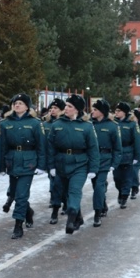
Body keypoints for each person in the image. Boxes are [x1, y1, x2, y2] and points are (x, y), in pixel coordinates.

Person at [47, 94, 99, 234]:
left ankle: (71, 220)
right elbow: (50, 147)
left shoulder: (87, 127)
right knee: (65, 193)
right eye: (66, 105)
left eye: (70, 106)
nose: (66, 108)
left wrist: (93, 168)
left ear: (77, 110)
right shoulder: (57, 125)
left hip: (79, 165)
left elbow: (93, 148)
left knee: (74, 191)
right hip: (61, 164)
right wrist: (51, 166)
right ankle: (78, 217)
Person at [0, 93, 46, 239]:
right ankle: (28, 212)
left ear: (27, 106)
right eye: (15, 102)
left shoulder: (35, 123)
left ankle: (18, 225)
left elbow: (41, 145)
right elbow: (2, 146)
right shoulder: (5, 123)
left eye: (20, 103)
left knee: (21, 195)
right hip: (12, 161)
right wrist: (0, 165)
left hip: (28, 162)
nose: (17, 105)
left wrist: (41, 165)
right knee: (13, 193)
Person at [89, 99, 121, 226]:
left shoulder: (112, 126)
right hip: (92, 159)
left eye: (95, 109)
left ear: (102, 112)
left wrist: (114, 163)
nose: (92, 111)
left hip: (105, 159)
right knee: (95, 184)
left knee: (99, 186)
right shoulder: (89, 125)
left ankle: (97, 213)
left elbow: (117, 147)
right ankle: (103, 204)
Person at [112, 102, 140, 209]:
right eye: (116, 110)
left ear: (124, 112)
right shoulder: (113, 123)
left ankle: (124, 196)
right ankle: (120, 191)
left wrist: (137, 156)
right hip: (116, 154)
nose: (116, 112)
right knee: (117, 177)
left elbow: (137, 141)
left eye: (119, 111)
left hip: (128, 153)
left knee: (127, 177)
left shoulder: (132, 124)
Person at [44, 98, 66, 223]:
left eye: (56, 108)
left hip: (62, 157)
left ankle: (64, 202)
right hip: (50, 157)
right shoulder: (46, 124)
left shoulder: (64, 123)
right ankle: (55, 200)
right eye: (51, 108)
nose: (52, 110)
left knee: (62, 183)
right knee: (53, 182)